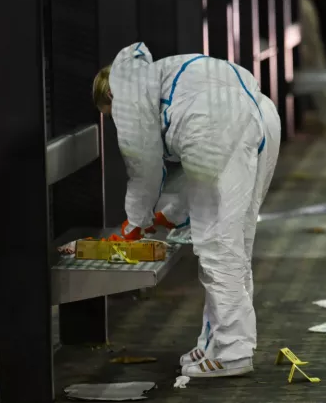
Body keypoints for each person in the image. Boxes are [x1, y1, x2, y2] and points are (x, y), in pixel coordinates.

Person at [93, 43, 281, 379]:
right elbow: (200, 150)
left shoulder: (128, 97)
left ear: (110, 97)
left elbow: (146, 169)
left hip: (217, 126)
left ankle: (233, 351)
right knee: (236, 241)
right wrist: (170, 215)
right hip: (260, 112)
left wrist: (136, 222)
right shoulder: (163, 74)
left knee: (217, 245)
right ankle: (215, 341)